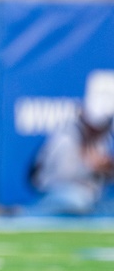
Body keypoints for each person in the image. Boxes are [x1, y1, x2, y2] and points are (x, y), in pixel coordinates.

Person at [31, 74, 114, 215]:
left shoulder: (101, 141)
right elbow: (63, 178)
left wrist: (107, 168)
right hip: (55, 192)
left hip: (91, 196)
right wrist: (91, 166)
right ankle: (32, 214)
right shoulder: (66, 139)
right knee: (77, 200)